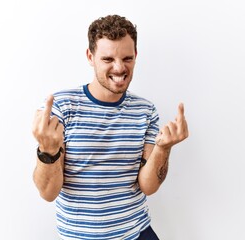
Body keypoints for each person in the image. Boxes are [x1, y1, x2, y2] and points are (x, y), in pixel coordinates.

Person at [32, 14, 189, 240]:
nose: (119, 68)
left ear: (136, 56)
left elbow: (148, 187)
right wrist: (47, 150)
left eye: (127, 58)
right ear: (90, 56)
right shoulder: (61, 107)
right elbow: (48, 193)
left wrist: (163, 149)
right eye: (107, 59)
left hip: (138, 233)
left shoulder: (145, 110)